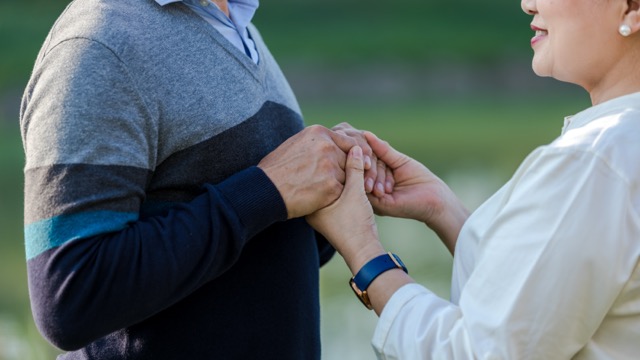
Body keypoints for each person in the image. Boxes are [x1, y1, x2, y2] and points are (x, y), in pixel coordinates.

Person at [19, 0, 391, 358]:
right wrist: (268, 189)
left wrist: (331, 183)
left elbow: (243, 262)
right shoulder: (99, 43)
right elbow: (70, 297)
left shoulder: (234, 24)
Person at [307, 0, 640, 358]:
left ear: (631, 9)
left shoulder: (593, 159)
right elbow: (544, 298)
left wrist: (364, 251)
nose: (528, 4)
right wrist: (445, 210)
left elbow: (477, 352)